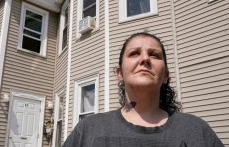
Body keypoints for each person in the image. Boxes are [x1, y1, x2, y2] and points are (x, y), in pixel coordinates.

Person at [63, 32, 224, 147]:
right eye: (134, 53)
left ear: (166, 75)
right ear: (120, 74)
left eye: (154, 55)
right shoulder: (88, 129)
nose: (145, 59)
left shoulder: (196, 129)